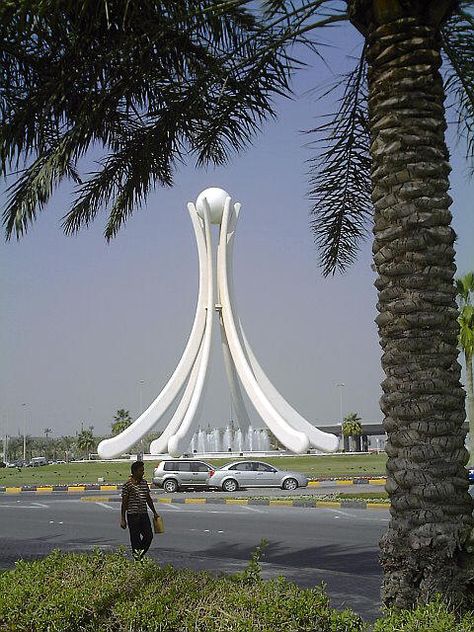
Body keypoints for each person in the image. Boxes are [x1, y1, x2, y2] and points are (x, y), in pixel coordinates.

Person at [120, 460, 159, 561]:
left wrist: (154, 512)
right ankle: (137, 558)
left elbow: (148, 499)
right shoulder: (127, 485)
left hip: (143, 514)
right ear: (134, 472)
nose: (142, 472)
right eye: (140, 471)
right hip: (133, 516)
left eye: (143, 470)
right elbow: (124, 503)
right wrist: (122, 518)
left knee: (148, 536)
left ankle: (139, 555)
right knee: (135, 539)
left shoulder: (144, 483)